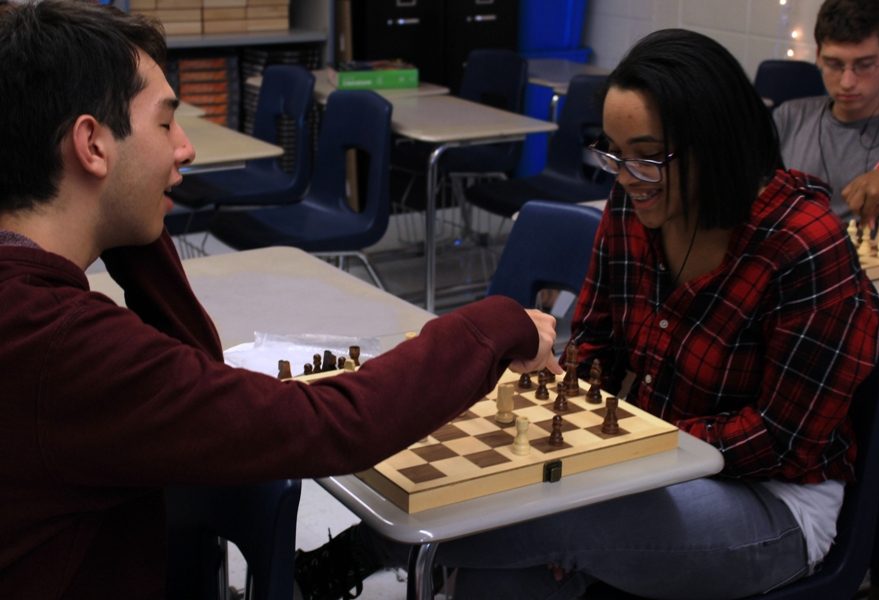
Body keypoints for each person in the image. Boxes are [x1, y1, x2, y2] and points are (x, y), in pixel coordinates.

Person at [297, 28, 879, 600]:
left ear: (717, 144)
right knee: (506, 571)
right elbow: (597, 344)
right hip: (648, 463)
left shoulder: (805, 245)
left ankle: (352, 556)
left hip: (772, 502)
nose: (628, 180)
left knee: (552, 518)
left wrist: (629, 450)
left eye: (649, 158)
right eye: (615, 155)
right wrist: (573, 412)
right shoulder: (632, 207)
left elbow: (783, 439)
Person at [0, 2, 562, 598]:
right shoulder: (54, 342)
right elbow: (326, 424)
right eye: (166, 125)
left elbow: (201, 397)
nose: (185, 149)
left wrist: (121, 215)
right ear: (91, 144)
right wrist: (492, 324)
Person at [773, 0, 879, 235]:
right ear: (819, 55)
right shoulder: (788, 117)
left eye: (864, 65)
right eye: (834, 64)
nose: (847, 82)